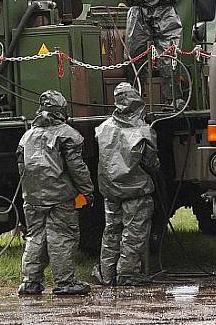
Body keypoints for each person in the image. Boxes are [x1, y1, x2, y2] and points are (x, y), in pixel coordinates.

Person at [16, 90, 94, 296]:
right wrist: (87, 192)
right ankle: (64, 283)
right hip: (60, 196)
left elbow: (21, 168)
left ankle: (30, 282)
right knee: (61, 237)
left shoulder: (27, 136)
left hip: (32, 198)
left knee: (35, 237)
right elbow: (77, 168)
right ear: (62, 110)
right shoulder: (68, 134)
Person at [93, 82, 160, 286]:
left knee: (111, 232)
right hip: (136, 191)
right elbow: (151, 164)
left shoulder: (102, 128)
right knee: (134, 234)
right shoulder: (143, 131)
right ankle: (127, 274)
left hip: (111, 191)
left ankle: (107, 274)